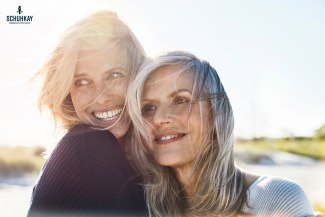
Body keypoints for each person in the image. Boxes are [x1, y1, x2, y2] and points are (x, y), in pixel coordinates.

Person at [127, 51, 316, 217]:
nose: (159, 118)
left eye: (181, 100)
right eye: (149, 107)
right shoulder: (143, 206)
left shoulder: (274, 199)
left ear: (216, 113)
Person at [27, 11, 146, 217]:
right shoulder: (88, 148)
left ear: (139, 76)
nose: (101, 98)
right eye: (81, 82)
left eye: (114, 75)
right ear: (67, 91)